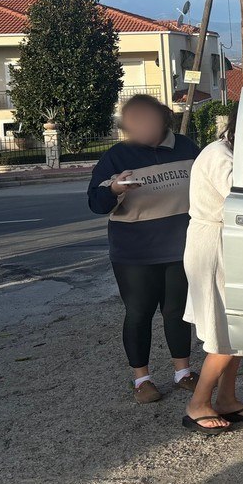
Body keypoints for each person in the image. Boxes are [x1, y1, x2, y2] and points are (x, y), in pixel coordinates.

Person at [88, 95, 200, 404]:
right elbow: (96, 203)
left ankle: (183, 373)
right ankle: (142, 379)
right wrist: (113, 189)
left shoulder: (187, 148)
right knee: (138, 313)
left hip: (180, 247)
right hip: (134, 253)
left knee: (177, 312)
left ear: (163, 118)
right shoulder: (116, 157)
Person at [181, 108, 243, 433]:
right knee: (224, 330)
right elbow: (241, 200)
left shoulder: (236, 152)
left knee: (238, 328)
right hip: (214, 246)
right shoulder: (220, 155)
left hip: (228, 243)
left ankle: (227, 399)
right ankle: (198, 403)